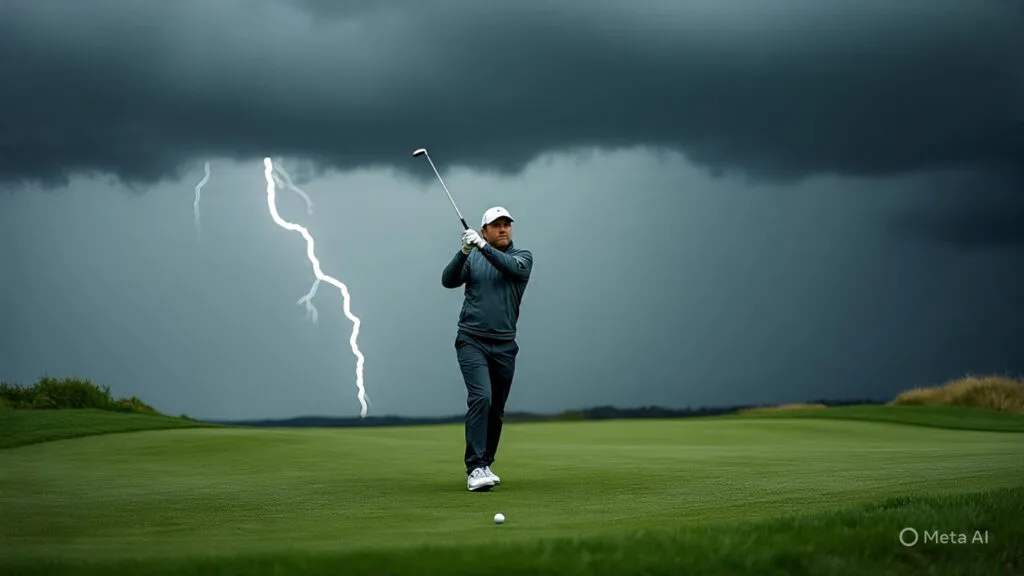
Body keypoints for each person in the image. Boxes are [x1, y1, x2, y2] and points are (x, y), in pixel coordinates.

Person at [441, 206, 533, 492]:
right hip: (472, 340)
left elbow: (509, 267)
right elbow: (448, 280)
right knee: (481, 397)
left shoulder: (522, 257)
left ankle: (485, 463)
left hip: (505, 345)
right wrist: (464, 252)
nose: (503, 229)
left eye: (507, 224)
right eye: (496, 225)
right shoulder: (473, 258)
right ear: (484, 230)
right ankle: (475, 468)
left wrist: (482, 246)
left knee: (497, 409)